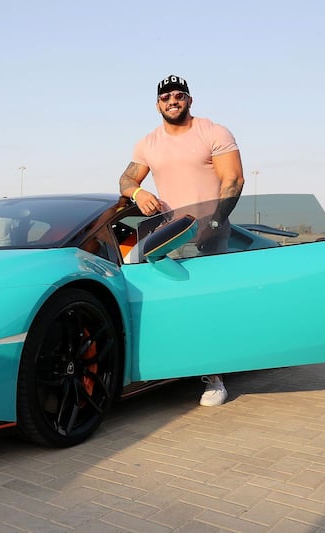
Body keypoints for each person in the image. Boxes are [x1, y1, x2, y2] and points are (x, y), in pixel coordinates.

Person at [118, 74, 245, 407]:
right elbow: (126, 178)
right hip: (169, 234)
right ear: (157, 103)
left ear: (189, 99)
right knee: (164, 300)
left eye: (178, 95)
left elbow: (233, 179)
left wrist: (215, 221)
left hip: (211, 230)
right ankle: (166, 364)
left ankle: (214, 377)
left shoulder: (213, 132)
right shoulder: (148, 143)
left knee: (206, 302)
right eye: (165, 97)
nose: (172, 101)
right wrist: (138, 191)